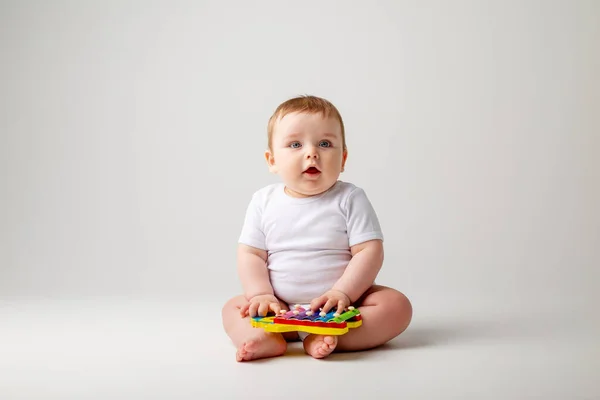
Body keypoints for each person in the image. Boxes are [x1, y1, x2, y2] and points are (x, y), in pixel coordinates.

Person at [221, 95, 412, 362]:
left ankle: (329, 335)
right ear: (272, 160)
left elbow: (369, 251)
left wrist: (343, 292)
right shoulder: (263, 201)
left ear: (343, 158)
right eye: (295, 144)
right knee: (234, 308)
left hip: (343, 306)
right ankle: (265, 337)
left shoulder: (350, 198)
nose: (311, 153)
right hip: (280, 308)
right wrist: (261, 294)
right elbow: (251, 254)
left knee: (396, 306)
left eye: (325, 143)